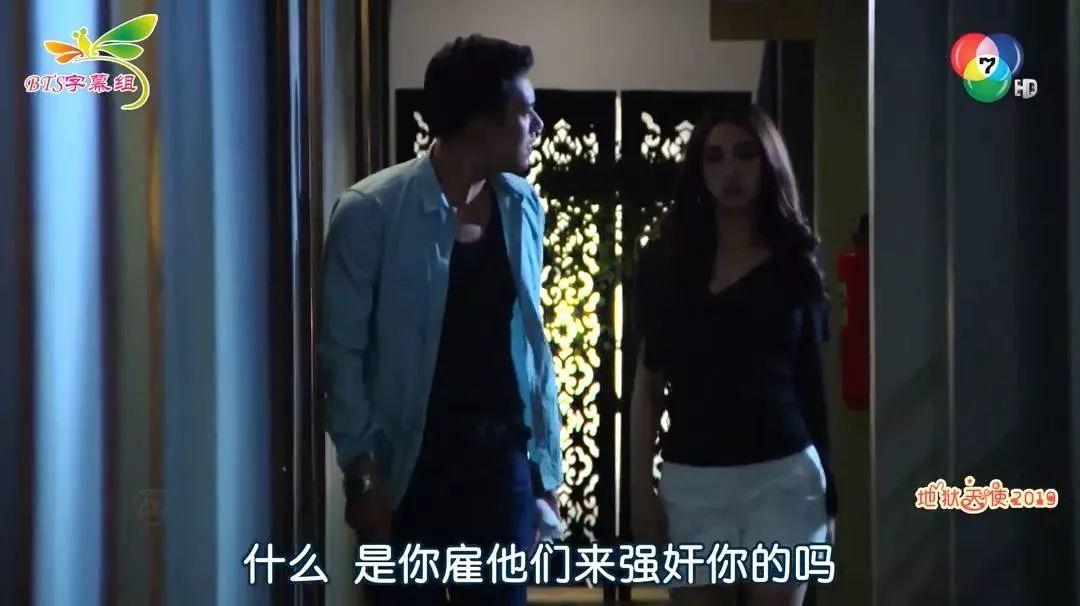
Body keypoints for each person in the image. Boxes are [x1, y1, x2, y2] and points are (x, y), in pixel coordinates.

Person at [317, 34, 562, 606]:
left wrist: (544, 471)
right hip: (409, 468)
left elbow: (531, 344)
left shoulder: (521, 205)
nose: (538, 125)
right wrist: (362, 476)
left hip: (500, 463)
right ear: (481, 124)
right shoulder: (372, 212)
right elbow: (340, 355)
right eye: (525, 111)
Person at [629, 101, 837, 606]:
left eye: (745, 154)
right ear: (699, 171)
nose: (731, 171)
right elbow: (647, 386)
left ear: (767, 162)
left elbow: (812, 383)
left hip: (784, 477)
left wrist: (831, 494)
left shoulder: (795, 263)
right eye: (715, 157)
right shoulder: (666, 263)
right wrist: (639, 493)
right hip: (694, 481)